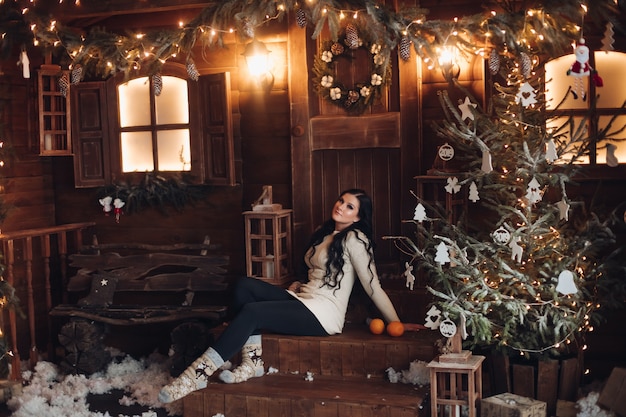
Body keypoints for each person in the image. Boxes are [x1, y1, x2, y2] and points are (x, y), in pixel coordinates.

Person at [158, 188, 418, 403]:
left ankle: (197, 375)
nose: (341, 206)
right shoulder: (327, 232)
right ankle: (253, 363)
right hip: (304, 299)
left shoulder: (356, 239)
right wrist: (298, 284)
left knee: (252, 312)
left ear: (358, 217)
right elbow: (320, 271)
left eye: (350, 206)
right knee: (245, 286)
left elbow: (373, 286)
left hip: (323, 314)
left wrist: (396, 322)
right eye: (341, 200)